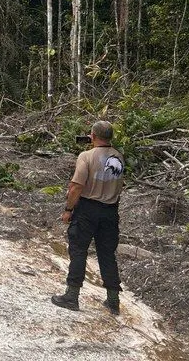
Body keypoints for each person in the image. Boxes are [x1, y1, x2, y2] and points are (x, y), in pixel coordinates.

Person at [52, 120, 125, 315]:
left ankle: (72, 295)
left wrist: (68, 209)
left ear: (92, 136)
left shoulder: (86, 156)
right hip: (110, 211)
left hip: (87, 210)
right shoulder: (119, 157)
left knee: (78, 250)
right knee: (107, 254)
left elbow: (77, 185)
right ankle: (113, 300)